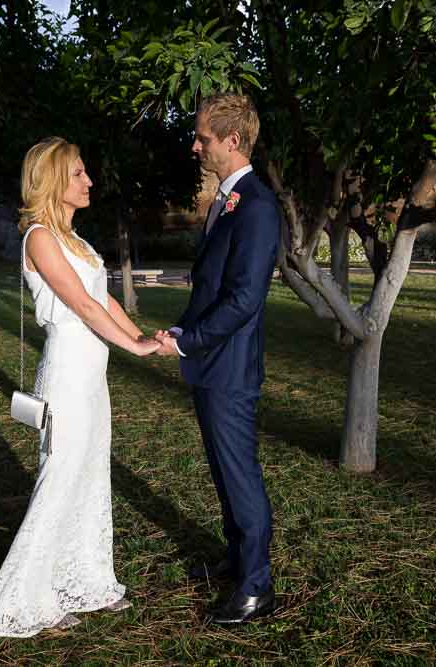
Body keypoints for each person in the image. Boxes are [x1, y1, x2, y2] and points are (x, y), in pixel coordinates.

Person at [0, 137, 160, 638]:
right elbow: (80, 306)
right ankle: (25, 600)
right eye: (78, 173)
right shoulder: (39, 236)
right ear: (55, 179)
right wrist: (135, 350)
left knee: (89, 476)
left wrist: (142, 338)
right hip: (66, 376)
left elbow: (103, 300)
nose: (89, 181)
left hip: (92, 378)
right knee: (57, 484)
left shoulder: (77, 240)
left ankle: (87, 580)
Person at [154, 93, 280, 625]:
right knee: (223, 473)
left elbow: (245, 298)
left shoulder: (256, 203)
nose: (195, 144)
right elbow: (212, 288)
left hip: (228, 366)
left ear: (232, 140)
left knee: (239, 474)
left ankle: (256, 587)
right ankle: (238, 557)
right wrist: (183, 328)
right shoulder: (225, 199)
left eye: (203, 136)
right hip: (211, 360)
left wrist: (188, 342)